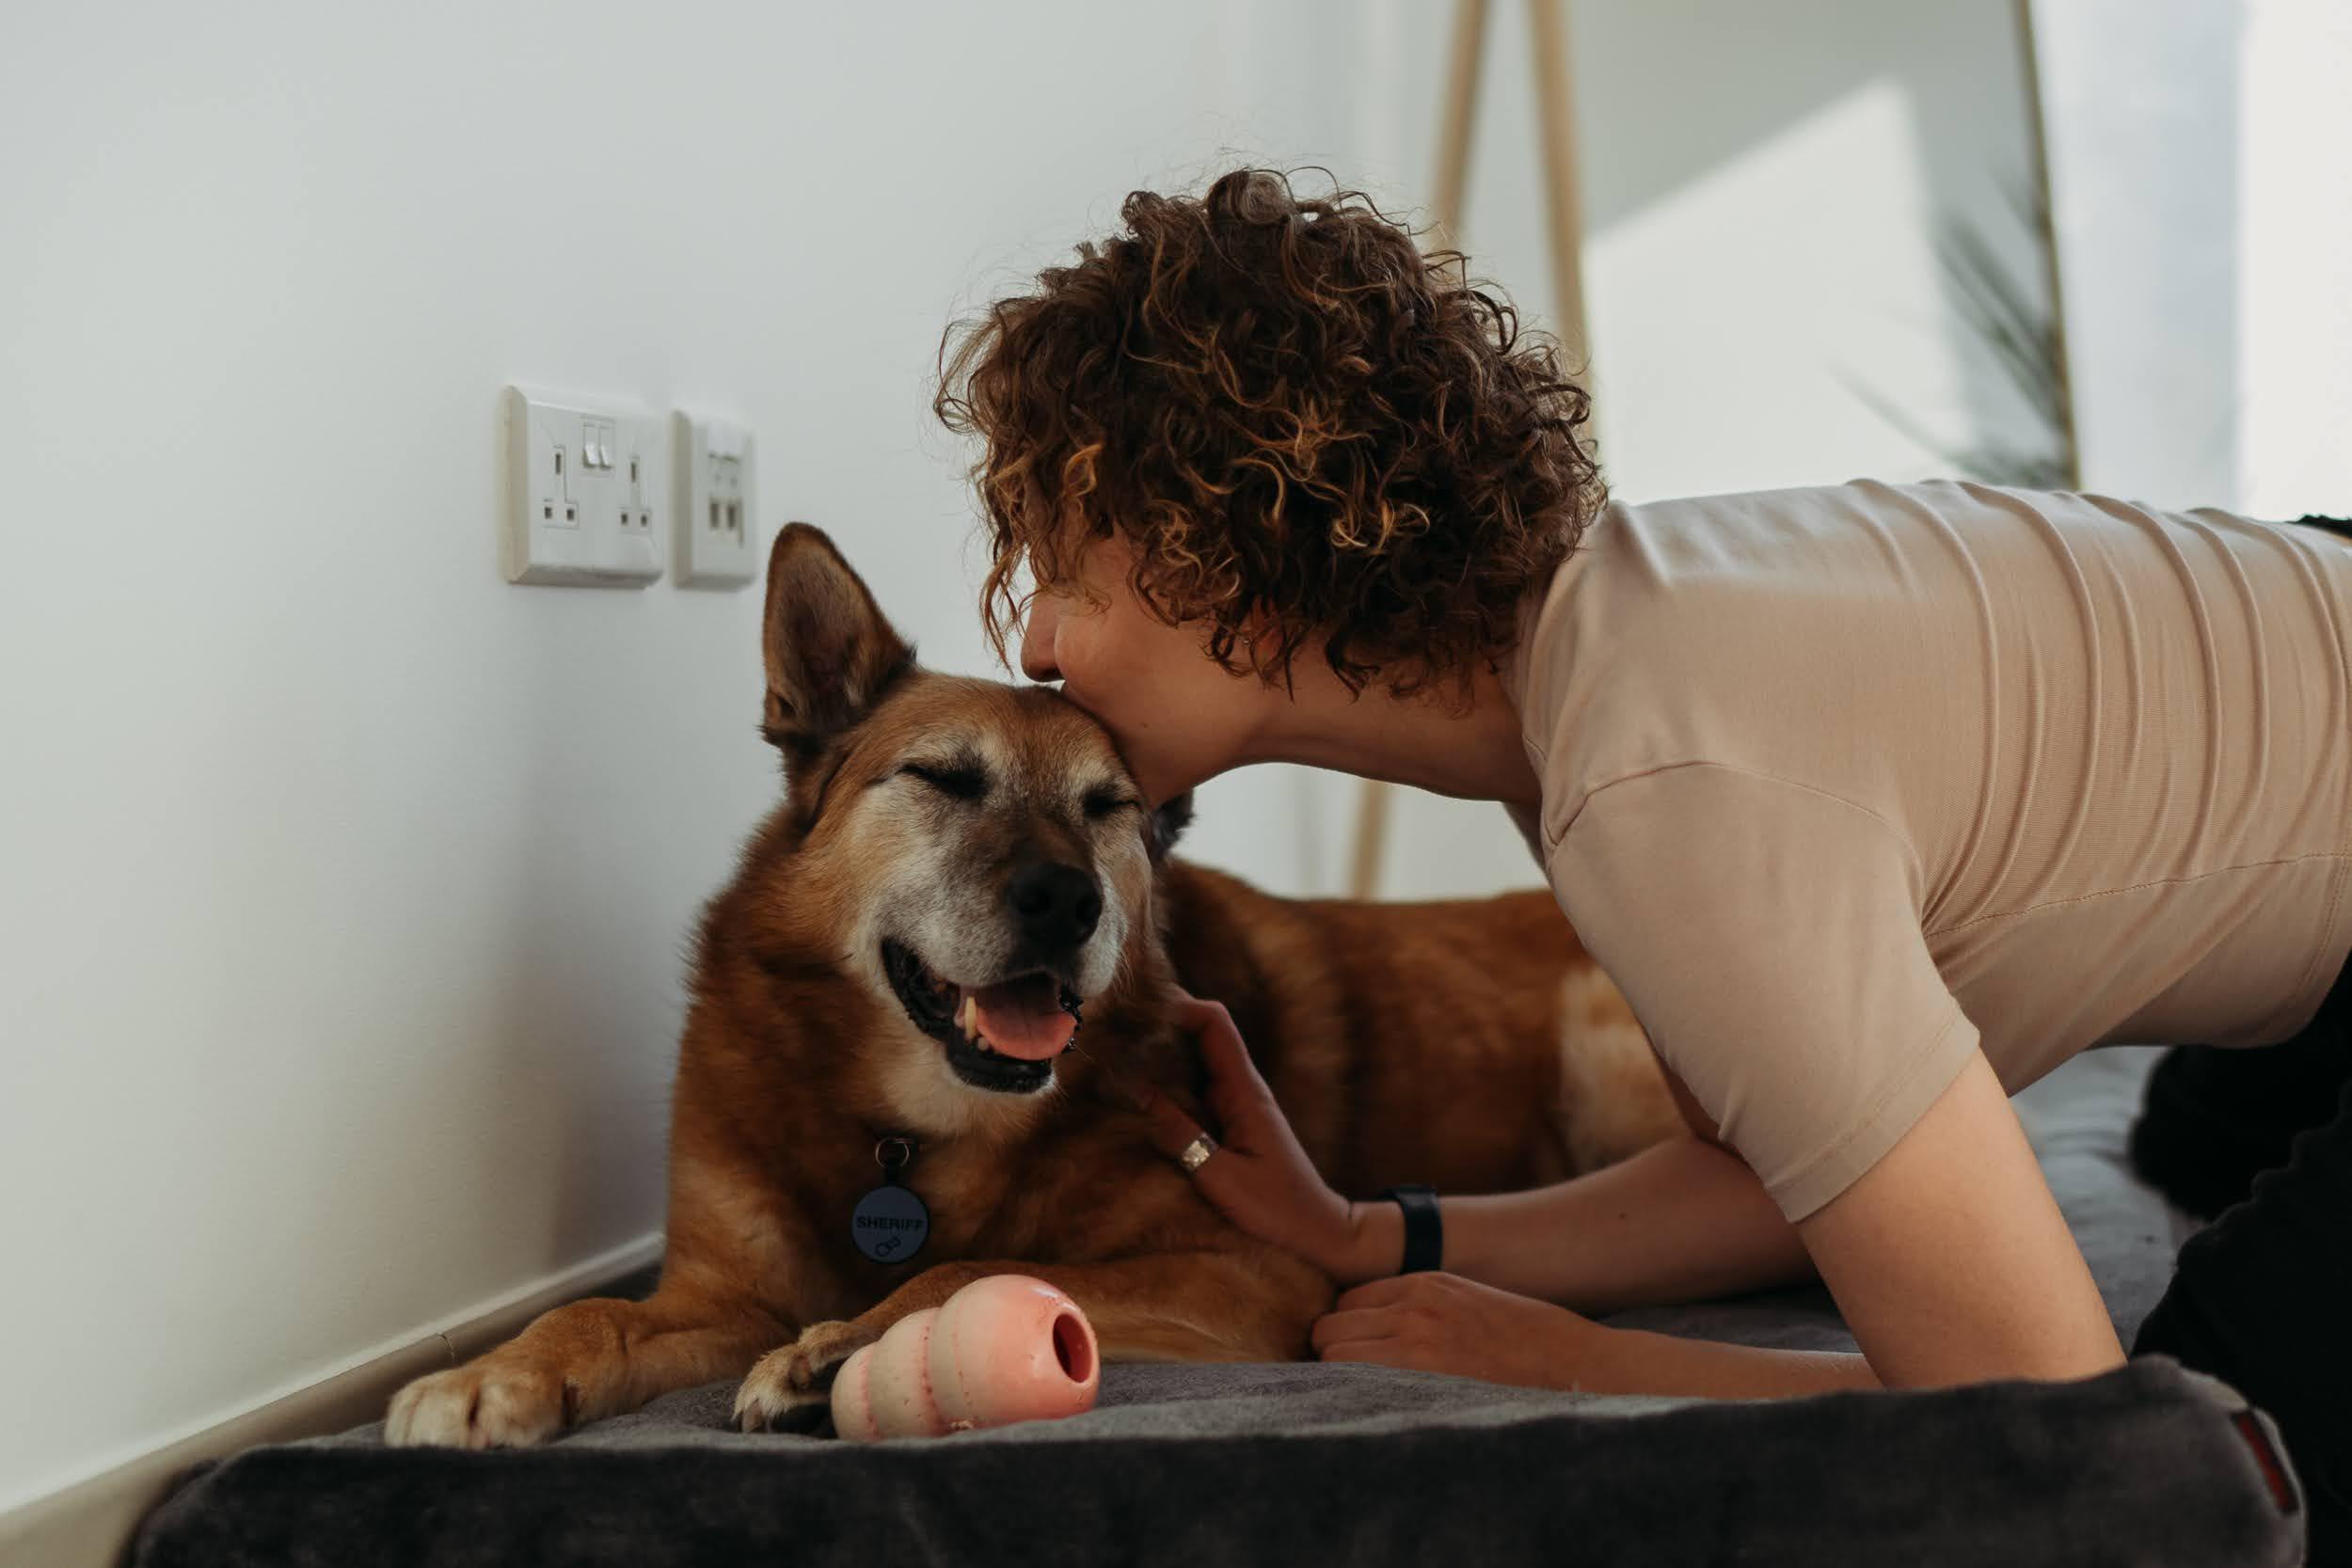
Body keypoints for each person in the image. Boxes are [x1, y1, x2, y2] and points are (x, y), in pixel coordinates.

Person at [935, 167, 2349, 1556]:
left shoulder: (1660, 783)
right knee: (2190, 1151)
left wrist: (1576, 1364)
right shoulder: (1595, 656)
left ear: (1226, 551)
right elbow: (1769, 1176)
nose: (1037, 648)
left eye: (1063, 574)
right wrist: (1368, 1233)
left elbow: (2057, 1416)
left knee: (2214, 1457)